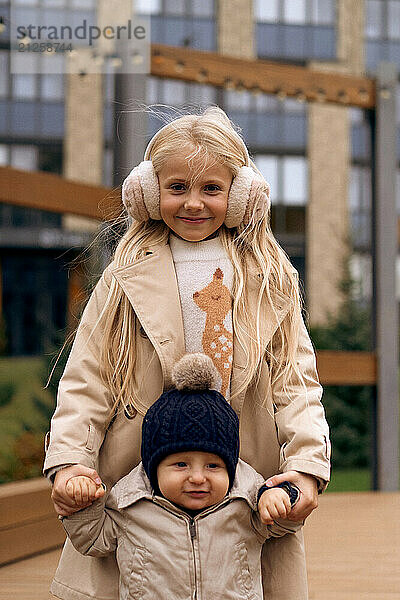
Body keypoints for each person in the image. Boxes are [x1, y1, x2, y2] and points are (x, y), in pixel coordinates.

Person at [44, 106, 330, 600]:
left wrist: (305, 469)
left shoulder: (270, 278)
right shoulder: (123, 275)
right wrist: (70, 461)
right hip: (139, 471)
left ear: (241, 196)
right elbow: (87, 378)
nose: (193, 203)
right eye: (177, 188)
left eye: (212, 189)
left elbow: (296, 383)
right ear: (150, 194)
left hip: (241, 479)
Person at [61, 354, 302, 600]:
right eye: (181, 464)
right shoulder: (128, 506)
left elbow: (286, 523)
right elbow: (91, 539)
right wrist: (83, 502)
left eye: (213, 466)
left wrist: (280, 497)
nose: (197, 477)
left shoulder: (247, 504)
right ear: (153, 468)